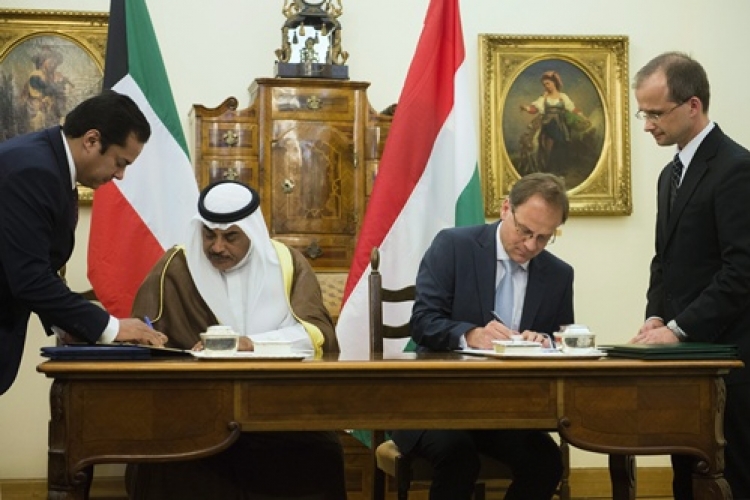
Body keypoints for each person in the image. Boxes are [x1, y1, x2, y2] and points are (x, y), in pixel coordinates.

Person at [125, 180, 346, 500]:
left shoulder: (287, 265)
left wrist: (250, 343)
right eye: (208, 235)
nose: (216, 247)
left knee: (320, 452)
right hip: (194, 412)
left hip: (275, 412)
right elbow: (142, 341)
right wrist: (149, 344)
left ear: (251, 232)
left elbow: (315, 337)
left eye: (230, 237)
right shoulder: (175, 268)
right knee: (166, 464)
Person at [392, 173, 574, 500]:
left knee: (545, 462)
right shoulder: (453, 246)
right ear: (505, 209)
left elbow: (562, 339)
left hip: (503, 410)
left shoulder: (558, 274)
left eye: (544, 238)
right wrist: (471, 334)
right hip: (432, 404)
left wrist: (546, 342)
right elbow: (423, 322)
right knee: (459, 457)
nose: (531, 245)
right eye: (525, 231)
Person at [631, 51, 750, 499]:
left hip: (730, 364)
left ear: (693, 105)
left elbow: (742, 271)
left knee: (731, 480)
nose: (647, 125)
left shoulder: (736, 168)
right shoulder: (670, 174)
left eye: (655, 113)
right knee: (685, 478)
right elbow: (664, 260)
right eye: (643, 114)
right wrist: (655, 318)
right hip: (683, 364)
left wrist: (679, 329)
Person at [0, 90, 167, 396]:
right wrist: (112, 328)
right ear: (91, 140)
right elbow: (30, 278)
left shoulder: (48, 164)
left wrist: (74, 325)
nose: (121, 175)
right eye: (120, 162)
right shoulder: (33, 171)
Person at [519, 71, 592, 180]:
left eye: (548, 83)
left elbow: (572, 109)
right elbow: (534, 109)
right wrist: (526, 108)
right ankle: (553, 170)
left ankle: (559, 170)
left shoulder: (563, 97)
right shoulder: (544, 97)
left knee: (562, 143)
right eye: (544, 84)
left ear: (554, 83)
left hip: (561, 125)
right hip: (548, 124)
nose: (546, 86)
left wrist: (583, 116)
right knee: (559, 141)